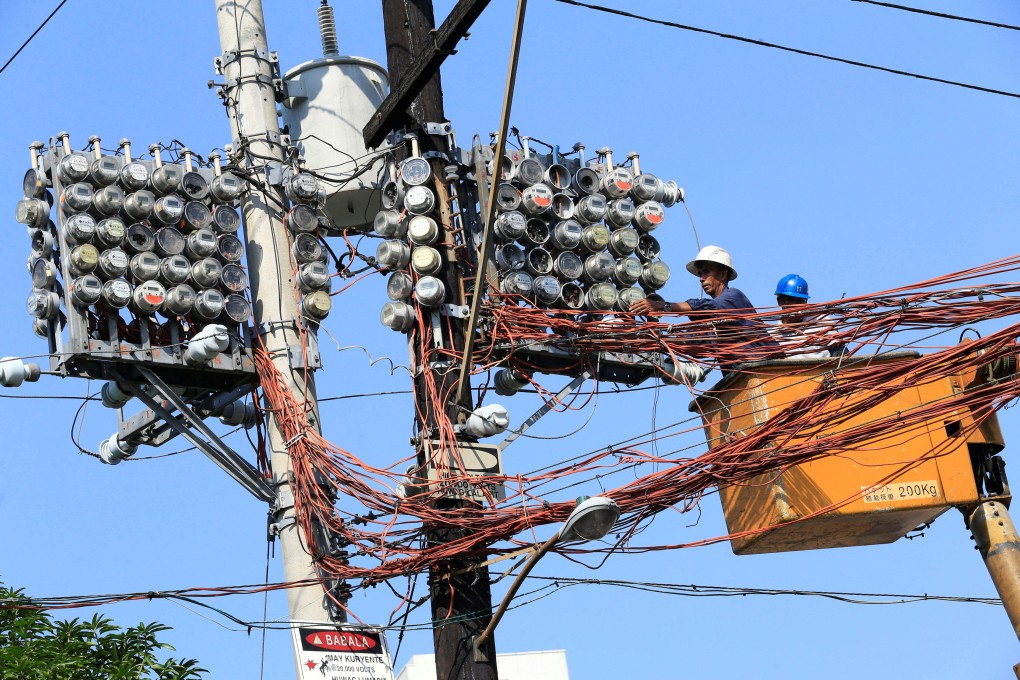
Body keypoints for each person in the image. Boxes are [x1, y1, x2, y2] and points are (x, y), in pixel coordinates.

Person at [630, 245, 776, 374]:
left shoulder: (733, 297)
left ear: (723, 274)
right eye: (700, 274)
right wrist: (654, 340)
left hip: (771, 370)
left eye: (706, 272)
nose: (701, 278)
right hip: (747, 377)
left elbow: (707, 307)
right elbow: (695, 341)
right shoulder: (715, 324)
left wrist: (662, 306)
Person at [770, 274, 844, 359]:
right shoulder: (772, 336)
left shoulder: (821, 323)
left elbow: (839, 349)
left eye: (800, 300)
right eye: (791, 299)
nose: (796, 305)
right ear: (780, 301)